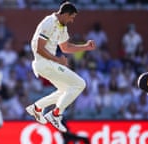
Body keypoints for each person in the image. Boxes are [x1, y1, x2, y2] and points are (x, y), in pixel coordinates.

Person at [26, 1, 95, 132]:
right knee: (80, 84)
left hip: (48, 63)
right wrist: (57, 60)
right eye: (72, 17)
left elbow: (66, 47)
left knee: (66, 91)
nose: (72, 20)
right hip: (44, 63)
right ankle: (55, 114)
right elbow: (39, 48)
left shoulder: (62, 26)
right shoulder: (49, 22)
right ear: (65, 14)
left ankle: (37, 107)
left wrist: (85, 47)